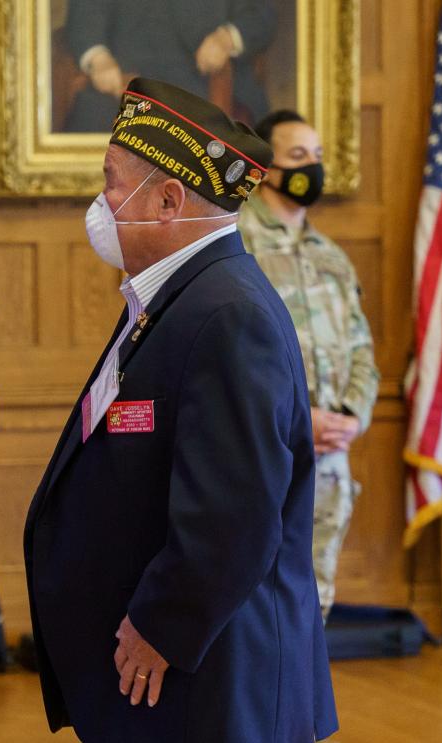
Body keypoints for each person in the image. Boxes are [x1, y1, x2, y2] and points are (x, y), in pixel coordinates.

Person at [24, 78, 337, 742]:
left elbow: (236, 513)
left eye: (111, 183)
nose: (101, 203)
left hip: (211, 679)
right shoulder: (176, 298)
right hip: (180, 680)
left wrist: (160, 625)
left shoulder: (227, 314)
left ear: (168, 200)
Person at [238, 109, 379, 618]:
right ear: (265, 165)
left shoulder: (332, 257)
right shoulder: (237, 245)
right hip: (263, 453)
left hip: (328, 466)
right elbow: (232, 358)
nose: (311, 168)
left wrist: (350, 416)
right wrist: (298, 420)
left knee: (312, 609)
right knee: (254, 609)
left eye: (317, 157)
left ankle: (302, 702)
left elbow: (362, 350)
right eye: (298, 157)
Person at [62, 0, 275, 131]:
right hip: (124, 87)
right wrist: (98, 58)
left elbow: (261, 16)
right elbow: (83, 15)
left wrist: (227, 38)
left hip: (209, 84)